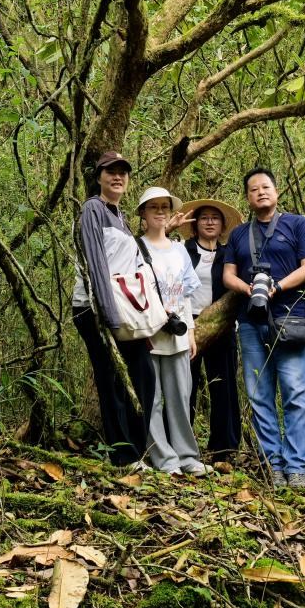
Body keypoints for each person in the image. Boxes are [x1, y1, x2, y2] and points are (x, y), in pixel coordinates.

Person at [223, 168, 305, 489]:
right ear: (248, 198)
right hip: (251, 324)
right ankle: (273, 465)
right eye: (253, 189)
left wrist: (276, 287)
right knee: (259, 395)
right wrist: (249, 289)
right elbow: (228, 275)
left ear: (276, 192)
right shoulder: (238, 234)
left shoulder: (297, 225)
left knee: (295, 394)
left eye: (266, 187)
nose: (260, 192)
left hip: (289, 318)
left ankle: (296, 467)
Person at [71, 152, 155, 466]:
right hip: (95, 309)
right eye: (110, 172)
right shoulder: (92, 208)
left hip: (123, 310)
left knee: (143, 374)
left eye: (123, 172)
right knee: (112, 380)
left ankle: (137, 451)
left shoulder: (120, 217)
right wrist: (107, 314)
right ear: (99, 177)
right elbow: (96, 262)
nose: (117, 177)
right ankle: (123, 457)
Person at [135, 187, 210, 476]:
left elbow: (186, 295)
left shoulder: (180, 249)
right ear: (143, 213)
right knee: (152, 399)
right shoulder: (136, 248)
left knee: (180, 396)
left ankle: (187, 456)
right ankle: (164, 459)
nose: (159, 211)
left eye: (164, 206)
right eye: (153, 207)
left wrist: (190, 331)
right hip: (149, 334)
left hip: (178, 333)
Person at [181, 198, 244, 463]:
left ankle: (224, 448)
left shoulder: (229, 254)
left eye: (214, 219)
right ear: (195, 225)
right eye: (204, 218)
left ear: (222, 226)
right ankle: (183, 445)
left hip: (223, 323)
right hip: (189, 324)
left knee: (224, 384)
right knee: (186, 384)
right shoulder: (182, 250)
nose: (209, 222)